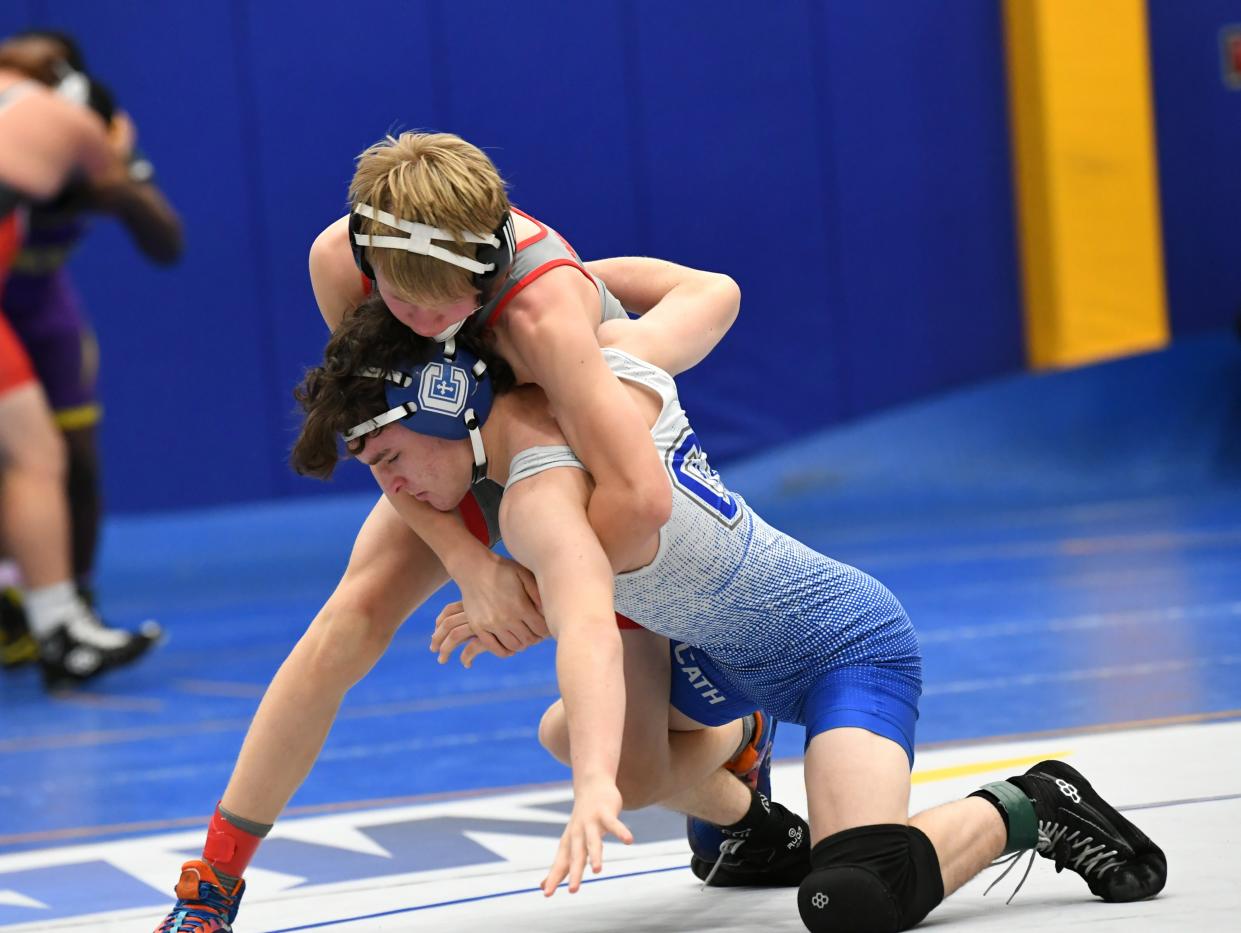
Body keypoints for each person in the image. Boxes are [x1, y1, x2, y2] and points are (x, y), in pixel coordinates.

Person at [289, 287, 1168, 931]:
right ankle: (747, 798)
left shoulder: (554, 454)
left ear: (449, 411)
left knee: (852, 895)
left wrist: (554, 279)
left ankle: (1031, 801)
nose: (393, 487)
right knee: (575, 736)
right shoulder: (516, 434)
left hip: (841, 647)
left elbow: (590, 617)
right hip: (697, 645)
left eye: (390, 457)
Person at [150, 179, 748, 931]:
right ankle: (211, 883)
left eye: (454, 303)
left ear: (487, 262)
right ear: (374, 259)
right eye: (407, 304)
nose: (431, 321)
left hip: (563, 455)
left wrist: (537, 585)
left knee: (629, 772)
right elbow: (375, 430)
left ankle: (737, 748)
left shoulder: (546, 314)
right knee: (347, 621)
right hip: (451, 449)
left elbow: (637, 499)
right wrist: (471, 566)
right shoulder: (340, 259)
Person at [0, 30, 183, 618]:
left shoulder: (94, 125)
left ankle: (69, 600)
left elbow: (167, 241)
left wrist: (116, 189)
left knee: (70, 456)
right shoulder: (32, 124)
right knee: (29, 455)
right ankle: (32, 601)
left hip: (38, 304)